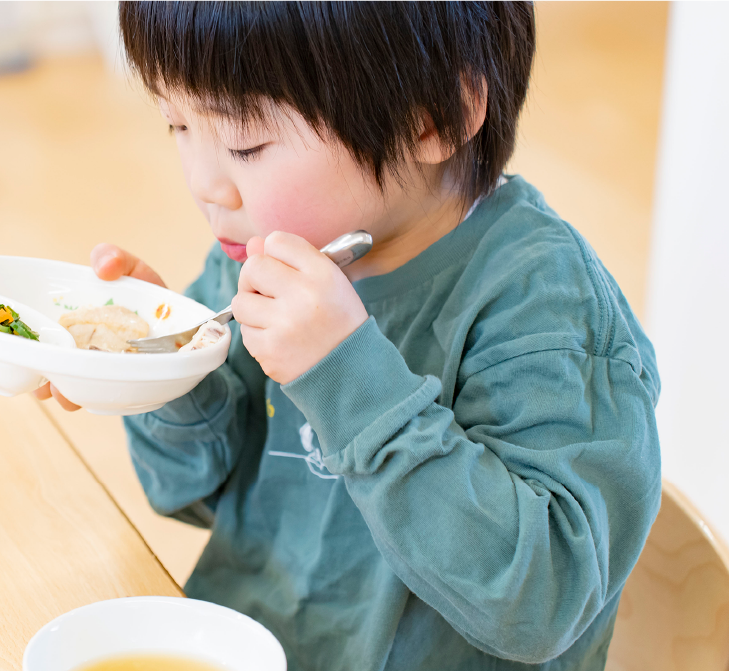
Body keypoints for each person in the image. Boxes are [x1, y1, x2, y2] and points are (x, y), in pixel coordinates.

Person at [35, 1, 662, 669]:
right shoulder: (262, 255)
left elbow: (541, 603)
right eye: (177, 124)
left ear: (432, 115)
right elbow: (188, 496)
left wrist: (344, 375)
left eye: (244, 141)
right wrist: (166, 375)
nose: (204, 183)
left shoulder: (543, 308)